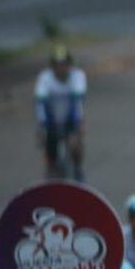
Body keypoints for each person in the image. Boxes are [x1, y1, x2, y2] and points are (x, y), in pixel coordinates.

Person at [34, 44, 87, 180]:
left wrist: (78, 125)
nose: (61, 68)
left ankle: (78, 170)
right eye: (57, 65)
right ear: (52, 67)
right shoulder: (44, 78)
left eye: (64, 64)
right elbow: (41, 105)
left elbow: (77, 104)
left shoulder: (78, 76)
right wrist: (42, 126)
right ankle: (51, 175)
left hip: (71, 119)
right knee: (50, 156)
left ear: (69, 65)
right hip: (51, 120)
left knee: (75, 145)